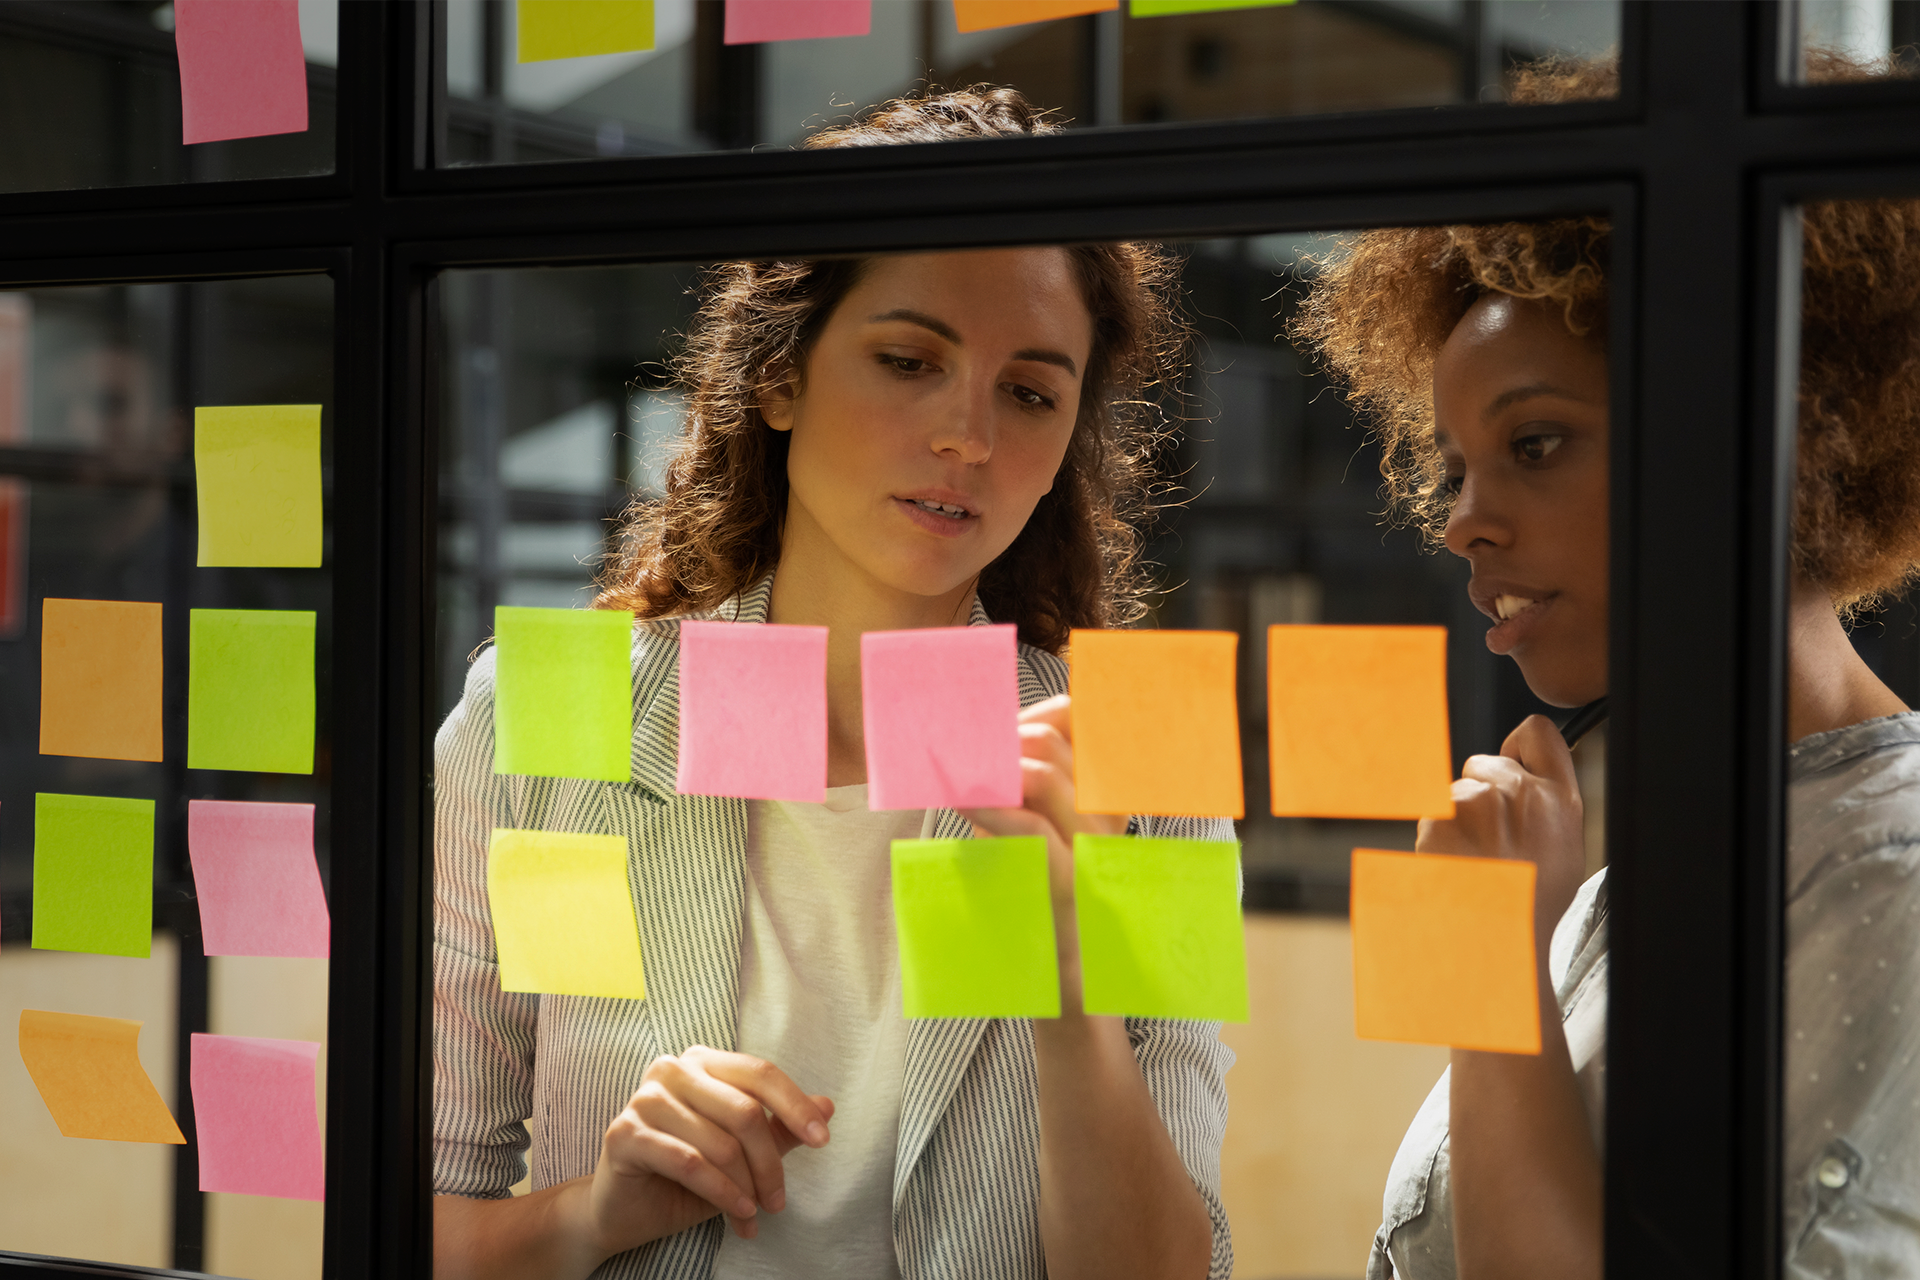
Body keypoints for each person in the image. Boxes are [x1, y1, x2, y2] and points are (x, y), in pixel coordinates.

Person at [432, 88, 1234, 1280]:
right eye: (909, 359)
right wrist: (594, 1209)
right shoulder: (546, 708)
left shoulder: (1136, 751)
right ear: (780, 379)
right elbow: (410, 1228)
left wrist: (1070, 974)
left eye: (1030, 389)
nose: (968, 433)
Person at [1292, 55, 1920, 1280]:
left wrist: (1488, 969)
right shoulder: (1630, 858)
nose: (1464, 521)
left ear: (1752, 434)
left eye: (1535, 442)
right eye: (1458, 467)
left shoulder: (1889, 878)